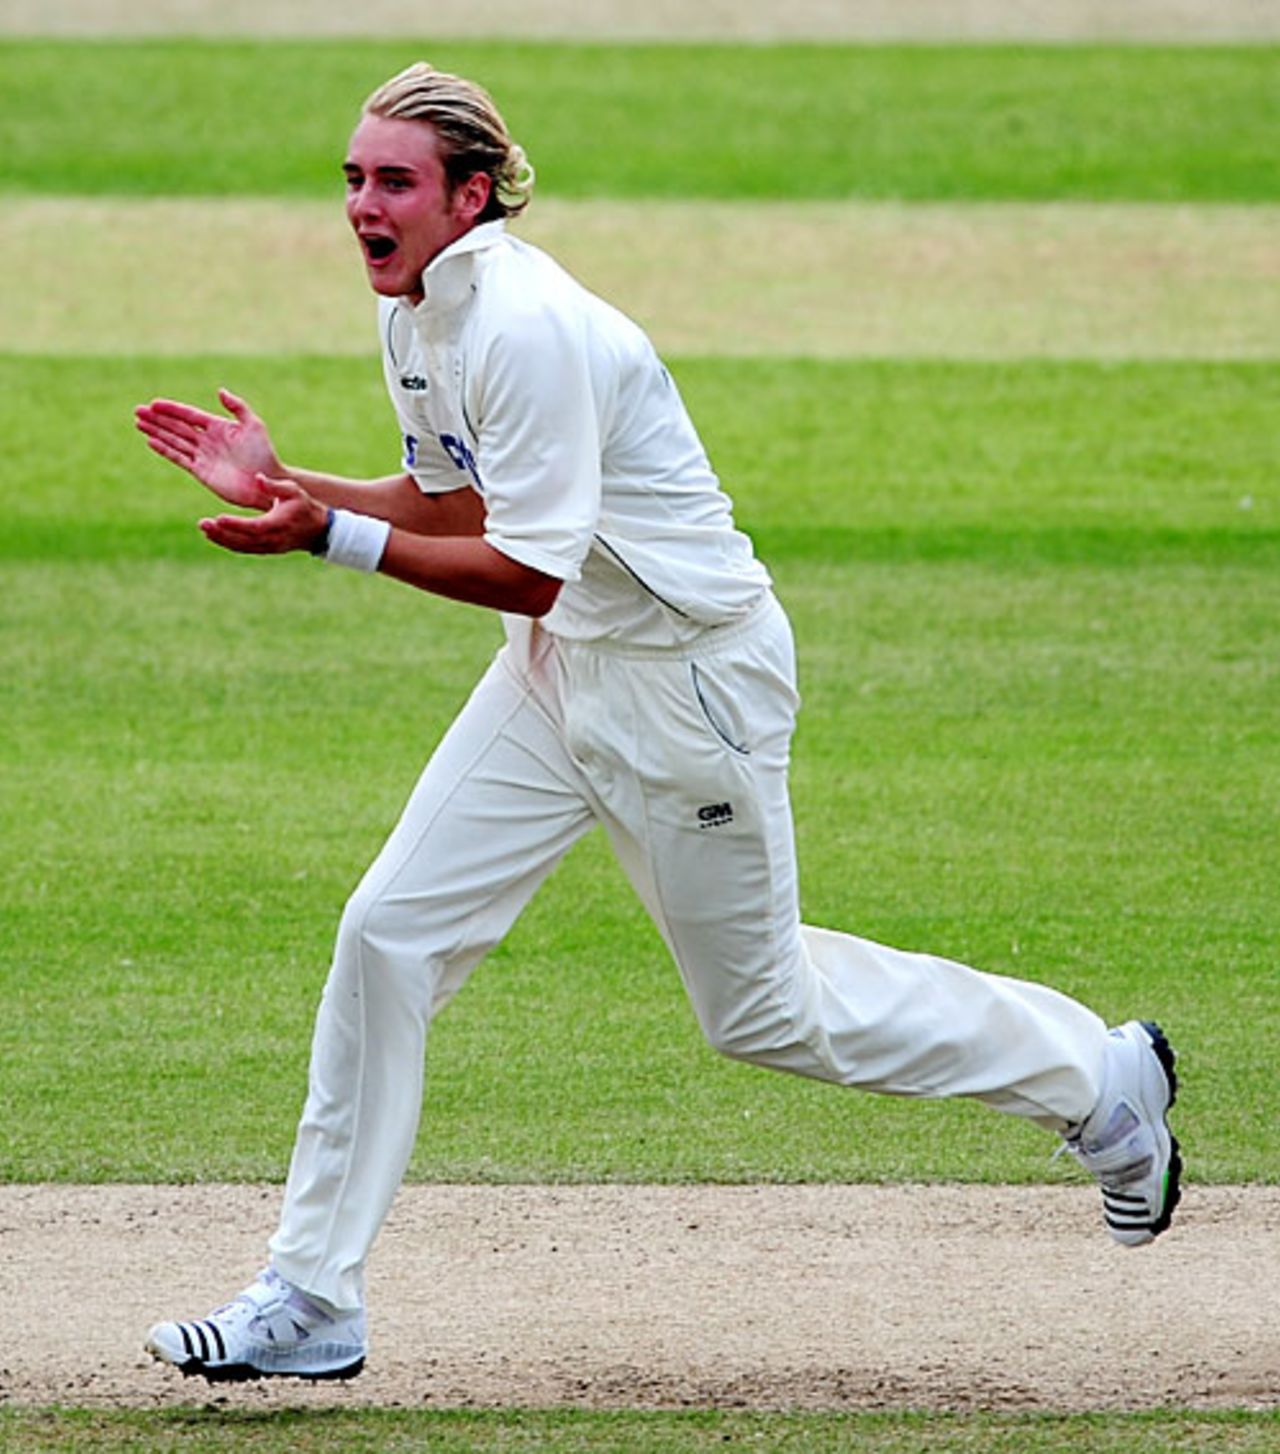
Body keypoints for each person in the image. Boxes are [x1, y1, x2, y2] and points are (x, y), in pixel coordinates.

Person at [134, 62, 1182, 1385]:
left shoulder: (523, 321)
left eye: (392, 180)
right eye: (352, 177)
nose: (361, 204)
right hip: (564, 667)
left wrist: (326, 539)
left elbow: (529, 564)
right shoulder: (419, 316)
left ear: (470, 194)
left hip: (689, 684)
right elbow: (457, 505)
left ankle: (1095, 1075)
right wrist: (298, 487)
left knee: (764, 1010)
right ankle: (312, 1294)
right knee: (389, 933)